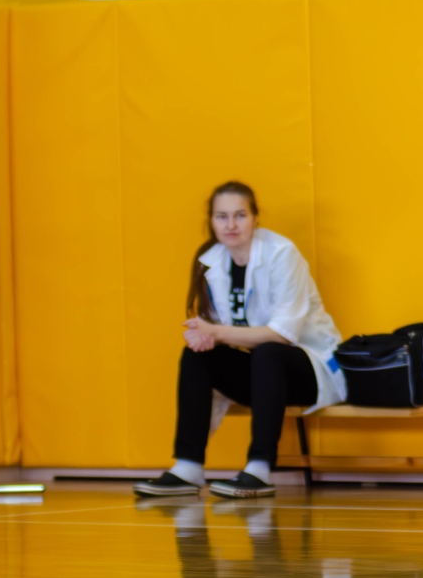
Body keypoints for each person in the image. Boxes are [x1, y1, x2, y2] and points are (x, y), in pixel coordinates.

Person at [134, 181, 345, 500]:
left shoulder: (282, 254)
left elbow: (281, 334)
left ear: (255, 218)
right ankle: (188, 467)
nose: (230, 225)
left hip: (311, 370)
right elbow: (216, 328)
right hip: (263, 377)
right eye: (221, 216)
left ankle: (259, 469)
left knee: (269, 352)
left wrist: (216, 332)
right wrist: (202, 336)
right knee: (196, 357)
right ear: (211, 221)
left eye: (240, 215)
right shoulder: (211, 260)